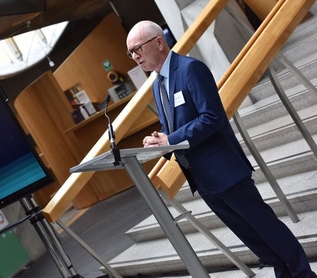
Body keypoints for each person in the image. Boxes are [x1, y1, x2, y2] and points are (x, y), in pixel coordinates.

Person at [126, 20, 316, 278]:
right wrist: (160, 138)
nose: (134, 56)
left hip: (225, 170)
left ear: (158, 43)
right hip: (201, 178)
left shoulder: (190, 69)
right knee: (250, 236)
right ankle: (283, 273)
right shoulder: (158, 85)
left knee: (266, 226)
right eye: (131, 53)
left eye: (137, 49)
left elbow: (212, 117)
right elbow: (172, 123)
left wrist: (171, 138)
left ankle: (304, 274)